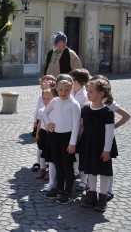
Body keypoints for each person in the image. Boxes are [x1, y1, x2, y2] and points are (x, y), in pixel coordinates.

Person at [90, 74, 131, 202]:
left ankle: (108, 190)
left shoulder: (108, 102)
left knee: (106, 167)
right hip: (94, 138)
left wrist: (114, 127)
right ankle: (92, 190)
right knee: (93, 165)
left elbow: (126, 116)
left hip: (107, 139)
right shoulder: (91, 102)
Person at [43, 74, 81, 204]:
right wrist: (48, 123)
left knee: (67, 166)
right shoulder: (54, 101)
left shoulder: (74, 104)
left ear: (71, 89)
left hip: (68, 138)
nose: (63, 93)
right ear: (56, 89)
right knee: (58, 164)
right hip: (55, 137)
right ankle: (59, 189)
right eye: (60, 90)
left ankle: (68, 192)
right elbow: (44, 112)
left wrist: (72, 143)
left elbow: (76, 125)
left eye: (66, 90)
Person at [80, 79, 115, 212]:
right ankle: (91, 195)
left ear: (101, 94)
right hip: (88, 145)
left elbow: (109, 133)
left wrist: (107, 150)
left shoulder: (107, 112)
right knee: (91, 171)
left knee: (104, 172)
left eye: (91, 91)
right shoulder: (85, 109)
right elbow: (81, 127)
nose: (88, 94)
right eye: (87, 91)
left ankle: (102, 198)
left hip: (102, 147)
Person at [69, 68, 91, 188]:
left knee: (83, 153)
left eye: (72, 79)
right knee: (76, 151)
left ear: (77, 81)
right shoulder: (73, 92)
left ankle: (85, 179)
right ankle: (76, 170)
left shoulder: (84, 95)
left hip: (81, 127)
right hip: (73, 126)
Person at [31, 74, 55, 172]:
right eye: (42, 87)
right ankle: (39, 163)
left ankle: (47, 165)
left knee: (47, 147)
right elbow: (37, 110)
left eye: (46, 87)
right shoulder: (40, 98)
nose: (43, 89)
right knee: (39, 146)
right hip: (39, 121)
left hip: (47, 126)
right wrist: (34, 121)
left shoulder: (53, 101)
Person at [35, 88, 57, 180]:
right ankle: (42, 168)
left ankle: (51, 171)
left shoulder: (54, 110)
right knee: (42, 151)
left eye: (49, 98)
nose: (46, 100)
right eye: (44, 98)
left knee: (51, 153)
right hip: (43, 133)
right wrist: (37, 133)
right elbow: (40, 121)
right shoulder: (42, 109)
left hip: (51, 134)